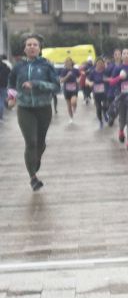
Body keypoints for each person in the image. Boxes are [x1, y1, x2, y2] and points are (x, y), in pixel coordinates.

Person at [6, 34, 59, 191]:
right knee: (31, 142)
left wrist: (36, 84)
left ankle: (34, 162)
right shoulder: (18, 66)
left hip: (43, 108)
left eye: (35, 45)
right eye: (29, 45)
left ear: (39, 48)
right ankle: (33, 178)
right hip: (25, 108)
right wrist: (11, 98)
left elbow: (56, 87)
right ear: (24, 48)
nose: (32, 47)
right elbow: (11, 83)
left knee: (40, 144)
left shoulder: (47, 65)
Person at [86, 58, 109, 129]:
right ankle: (101, 122)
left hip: (105, 92)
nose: (99, 65)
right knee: (98, 108)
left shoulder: (106, 71)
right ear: (96, 64)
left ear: (103, 64)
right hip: (96, 93)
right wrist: (89, 83)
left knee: (106, 105)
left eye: (101, 63)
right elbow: (87, 80)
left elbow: (111, 77)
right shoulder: (93, 72)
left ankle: (105, 113)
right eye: (98, 63)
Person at [58, 57, 81, 121]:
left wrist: (78, 80)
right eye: (66, 62)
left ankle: (75, 107)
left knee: (73, 102)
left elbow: (79, 77)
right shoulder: (64, 70)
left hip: (74, 88)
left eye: (69, 61)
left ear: (71, 62)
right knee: (69, 105)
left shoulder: (75, 70)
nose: (68, 63)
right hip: (66, 89)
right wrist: (67, 75)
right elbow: (61, 80)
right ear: (65, 63)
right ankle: (71, 118)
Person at [0, 54, 10, 123]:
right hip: (3, 85)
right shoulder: (5, 66)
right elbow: (9, 73)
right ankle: (0, 117)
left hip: (3, 85)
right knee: (1, 101)